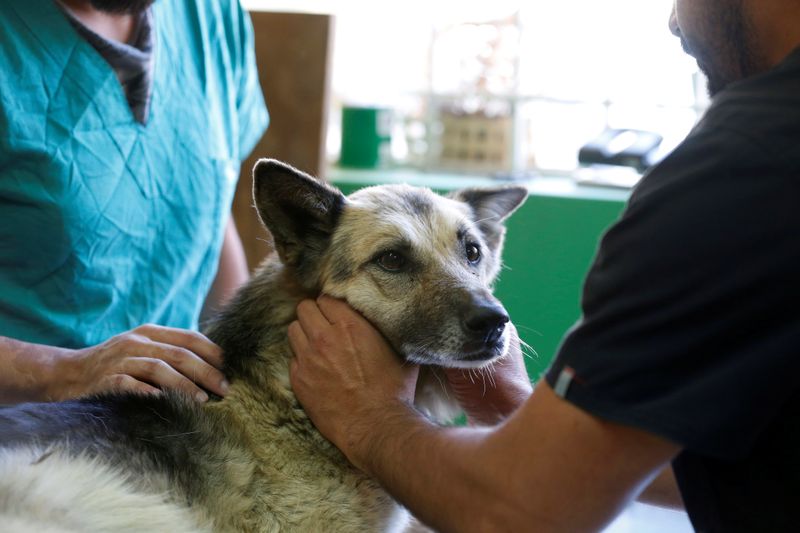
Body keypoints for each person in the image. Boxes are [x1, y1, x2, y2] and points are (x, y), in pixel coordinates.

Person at [288, 1, 800, 531]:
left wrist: (369, 419)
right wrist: (514, 406)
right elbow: (748, 464)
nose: (673, 20)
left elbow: (517, 511)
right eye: (394, 260)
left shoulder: (741, 170)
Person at [0, 0, 267, 404]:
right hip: (24, 433)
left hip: (165, 425)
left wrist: (242, 364)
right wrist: (65, 370)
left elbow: (210, 208)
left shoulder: (210, 14)